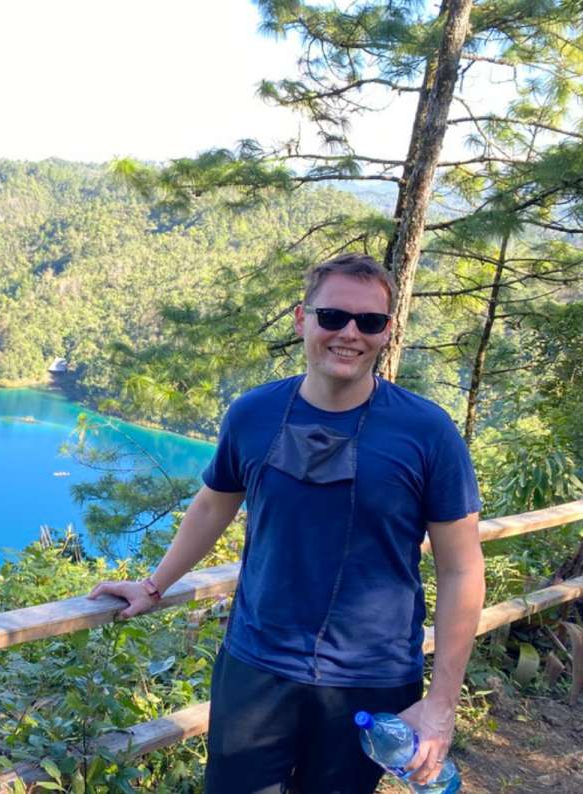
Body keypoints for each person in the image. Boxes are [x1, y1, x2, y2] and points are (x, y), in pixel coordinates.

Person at [87, 253, 485, 793]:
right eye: (332, 317)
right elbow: (212, 504)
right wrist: (156, 583)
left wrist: (440, 706)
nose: (350, 333)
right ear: (302, 319)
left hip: (371, 682)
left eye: (370, 322)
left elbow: (461, 569)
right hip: (256, 666)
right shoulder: (253, 414)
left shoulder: (427, 432)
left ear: (388, 331)